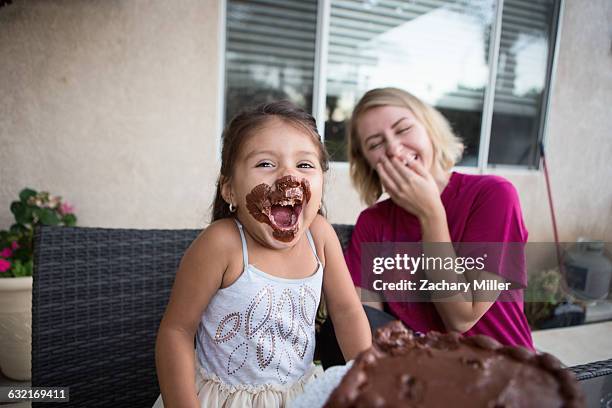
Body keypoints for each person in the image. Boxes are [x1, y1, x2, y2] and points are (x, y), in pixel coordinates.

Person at [153, 100, 371, 408]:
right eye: (265, 164)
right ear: (229, 190)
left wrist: (369, 380)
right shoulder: (222, 243)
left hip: (299, 396)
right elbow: (176, 331)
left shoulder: (319, 235)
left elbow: (347, 312)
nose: (288, 176)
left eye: (305, 165)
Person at [344, 87, 534, 349]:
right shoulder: (372, 223)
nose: (394, 149)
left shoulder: (493, 195)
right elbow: (367, 325)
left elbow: (463, 316)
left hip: (506, 370)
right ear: (367, 163)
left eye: (403, 129)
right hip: (422, 378)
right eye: (375, 144)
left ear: (430, 129)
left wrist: (430, 214)